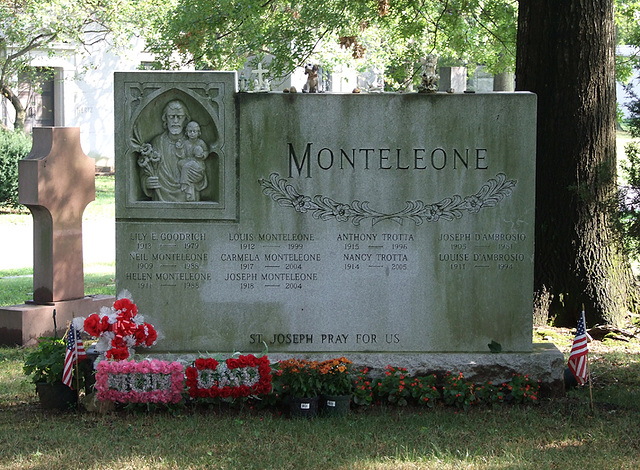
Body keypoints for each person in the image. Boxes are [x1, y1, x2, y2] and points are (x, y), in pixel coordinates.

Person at [140, 100, 207, 202]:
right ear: (165, 119)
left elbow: (200, 169)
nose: (175, 121)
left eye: (179, 117)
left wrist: (199, 178)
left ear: (185, 120)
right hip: (161, 197)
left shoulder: (193, 143)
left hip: (187, 196)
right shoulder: (157, 142)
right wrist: (146, 182)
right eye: (171, 117)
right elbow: (145, 171)